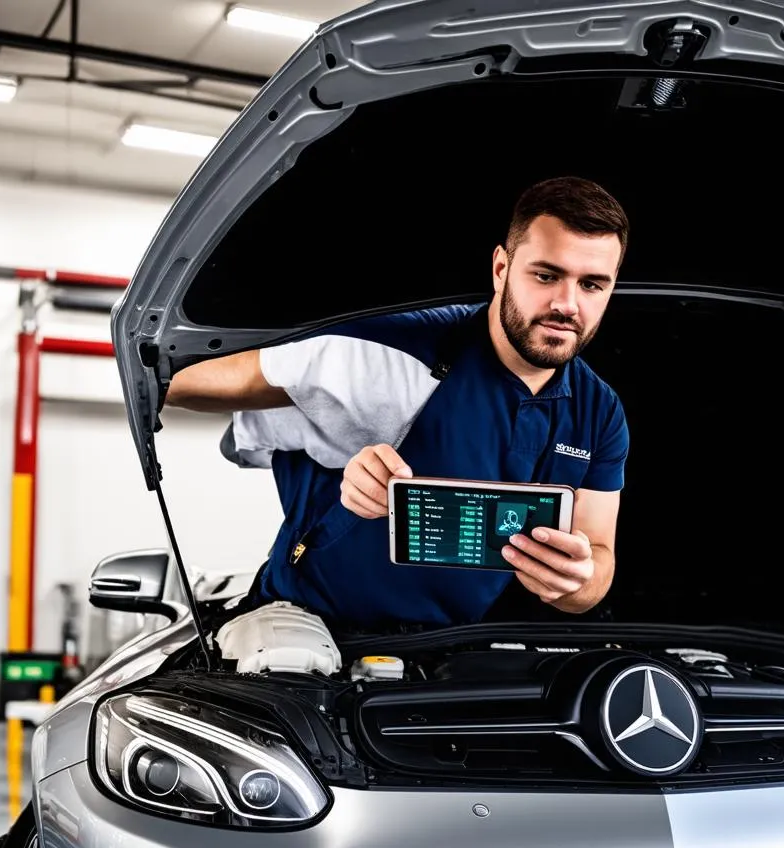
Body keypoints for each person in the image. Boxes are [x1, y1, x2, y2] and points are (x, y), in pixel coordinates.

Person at [165, 176, 631, 631]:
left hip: (446, 648)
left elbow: (598, 558)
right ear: (501, 268)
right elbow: (185, 382)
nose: (567, 304)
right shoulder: (398, 351)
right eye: (547, 275)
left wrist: (576, 580)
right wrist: (147, 367)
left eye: (592, 285)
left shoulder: (599, 411)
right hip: (304, 629)